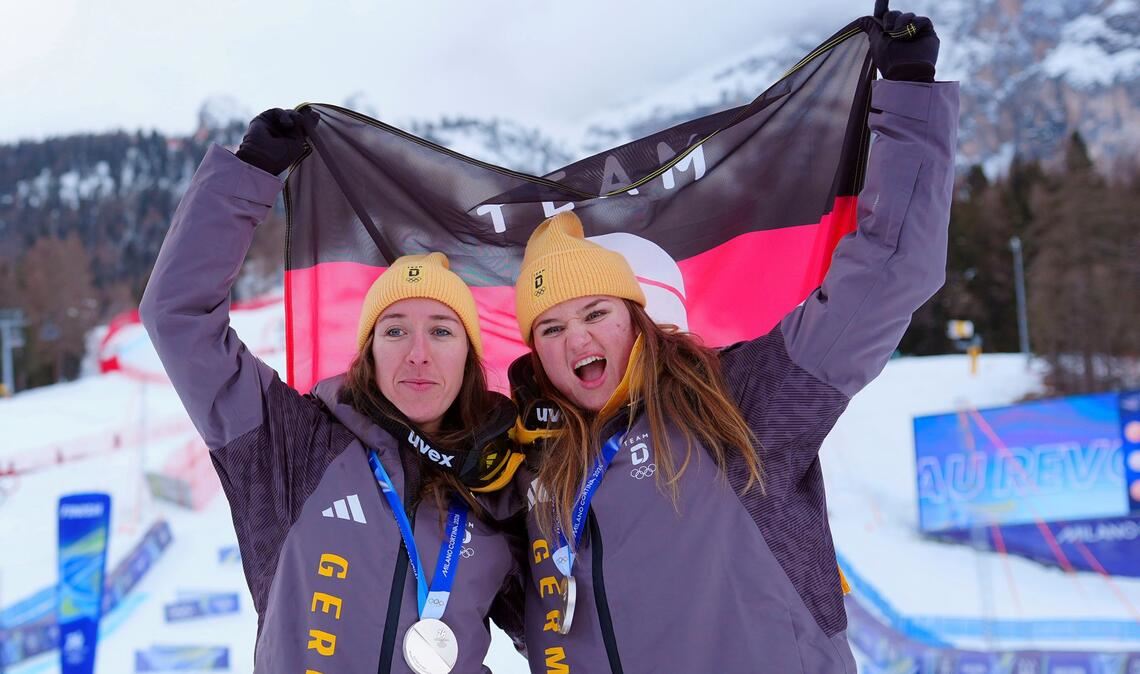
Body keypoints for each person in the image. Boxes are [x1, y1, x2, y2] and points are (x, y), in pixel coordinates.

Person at [506, 3, 956, 673]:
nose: (577, 341)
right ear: (534, 349)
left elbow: (888, 274)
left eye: (596, 312)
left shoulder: (740, 400)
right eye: (552, 327)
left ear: (636, 317)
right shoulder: (522, 464)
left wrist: (909, 92)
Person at [140, 110, 526, 674]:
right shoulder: (291, 445)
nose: (417, 352)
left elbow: (571, 631)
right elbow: (178, 317)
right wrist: (249, 177)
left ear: (469, 356)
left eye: (442, 331)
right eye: (394, 331)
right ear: (368, 353)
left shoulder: (504, 482)